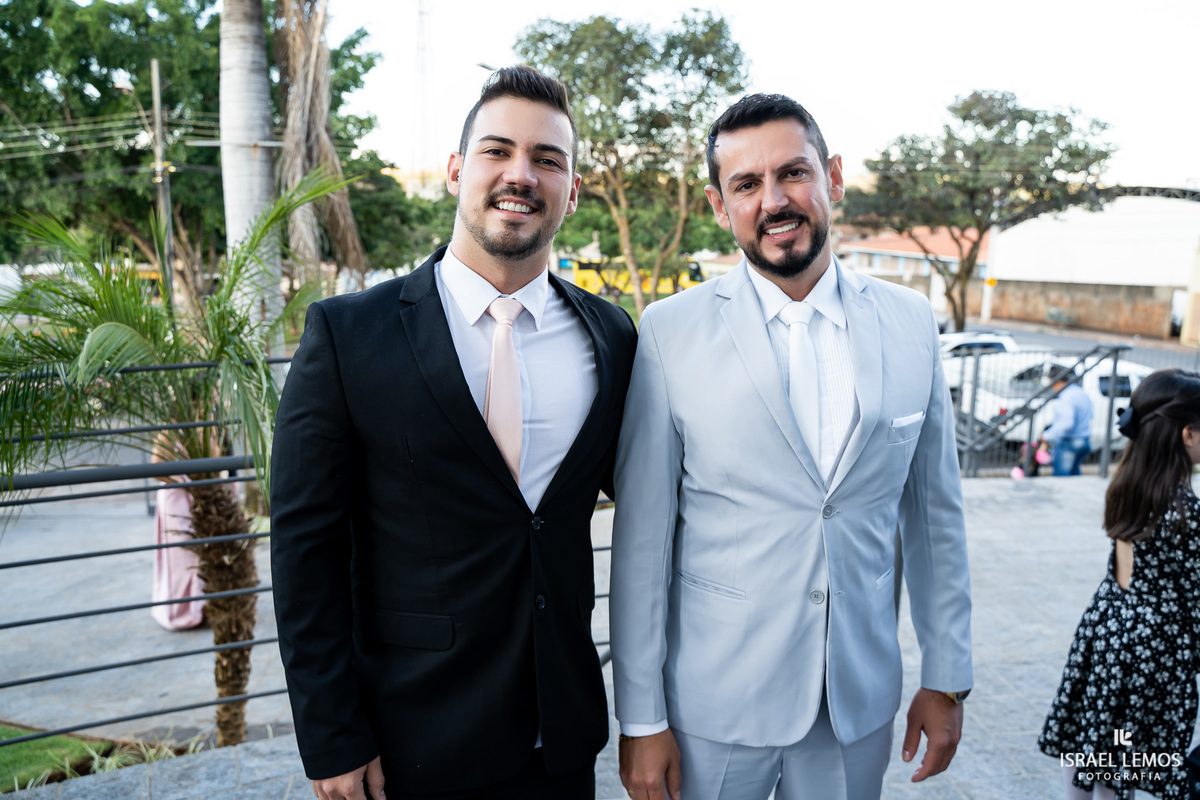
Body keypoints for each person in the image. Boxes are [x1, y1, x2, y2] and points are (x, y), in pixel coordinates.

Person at [270, 65, 637, 800]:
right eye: (498, 151)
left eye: (548, 159)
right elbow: (305, 549)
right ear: (455, 170)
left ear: (571, 187)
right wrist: (332, 734)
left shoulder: (612, 336)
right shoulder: (348, 335)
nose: (521, 175)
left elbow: (655, 498)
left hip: (558, 743)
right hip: (407, 741)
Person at [609, 93, 973, 800]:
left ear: (832, 178)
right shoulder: (668, 332)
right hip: (713, 706)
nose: (774, 200)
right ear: (720, 206)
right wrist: (641, 715)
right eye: (746, 185)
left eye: (793, 173)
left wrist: (946, 674)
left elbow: (936, 520)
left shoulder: (910, 323)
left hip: (855, 703)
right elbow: (643, 543)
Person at [1039, 369, 1200, 800]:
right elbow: (1193, 602)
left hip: (1109, 624)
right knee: (1125, 755)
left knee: (1094, 739)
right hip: (1154, 649)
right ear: (1187, 434)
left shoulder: (1129, 483)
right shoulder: (1184, 510)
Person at [1041, 367, 1095, 476]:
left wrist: (1046, 436)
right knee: (1074, 477)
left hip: (1069, 442)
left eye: (1052, 384)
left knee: (1062, 478)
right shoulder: (1080, 393)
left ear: (1059, 382)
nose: (1052, 388)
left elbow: (1066, 423)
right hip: (1084, 440)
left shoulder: (1066, 397)